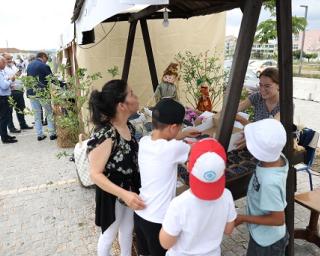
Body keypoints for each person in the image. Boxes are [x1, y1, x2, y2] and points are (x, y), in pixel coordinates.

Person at [134, 98, 200, 256]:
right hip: (159, 220)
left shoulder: (144, 142)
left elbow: (165, 142)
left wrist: (183, 133)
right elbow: (196, 148)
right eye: (179, 128)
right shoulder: (174, 148)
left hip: (140, 215)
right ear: (173, 127)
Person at [87, 79, 145, 256]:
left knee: (127, 230)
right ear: (122, 105)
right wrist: (124, 194)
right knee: (109, 235)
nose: (136, 97)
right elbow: (95, 174)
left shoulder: (128, 126)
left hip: (129, 189)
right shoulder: (106, 134)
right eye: (132, 94)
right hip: (112, 195)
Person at [159, 138, 237, 256]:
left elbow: (166, 243)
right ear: (223, 168)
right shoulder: (227, 196)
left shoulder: (179, 204)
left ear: (189, 166)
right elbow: (228, 229)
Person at [235, 119, 289, 256]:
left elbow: (278, 219)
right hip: (263, 235)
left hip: (267, 243)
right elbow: (266, 140)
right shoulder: (277, 156)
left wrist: (243, 218)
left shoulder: (269, 182)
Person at [235, 67, 280, 149]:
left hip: (274, 148)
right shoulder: (257, 96)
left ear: (279, 86)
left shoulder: (286, 104)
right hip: (256, 143)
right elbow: (233, 109)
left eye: (267, 86)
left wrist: (242, 120)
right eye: (260, 85)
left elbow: (270, 129)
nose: (262, 89)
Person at [26, 52, 56, 141]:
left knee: (37, 115)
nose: (46, 61)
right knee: (48, 113)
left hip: (32, 93)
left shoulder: (29, 65)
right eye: (46, 59)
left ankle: (39, 135)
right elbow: (52, 79)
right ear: (43, 57)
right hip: (42, 93)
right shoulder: (44, 66)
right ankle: (52, 134)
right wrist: (63, 85)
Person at [2, 53, 32, 131]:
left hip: (19, 91)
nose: (10, 60)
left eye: (11, 58)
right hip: (10, 92)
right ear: (3, 59)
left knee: (21, 109)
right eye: (8, 59)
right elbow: (6, 80)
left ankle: (23, 124)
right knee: (9, 112)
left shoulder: (13, 66)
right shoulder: (3, 69)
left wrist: (20, 75)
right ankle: (11, 128)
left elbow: (17, 76)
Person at [0, 56, 17, 143]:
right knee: (4, 118)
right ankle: (4, 138)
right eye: (3, 62)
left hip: (4, 97)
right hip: (2, 98)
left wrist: (8, 81)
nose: (5, 64)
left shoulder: (2, 72)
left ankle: (5, 135)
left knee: (5, 117)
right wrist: (11, 80)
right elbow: (4, 86)